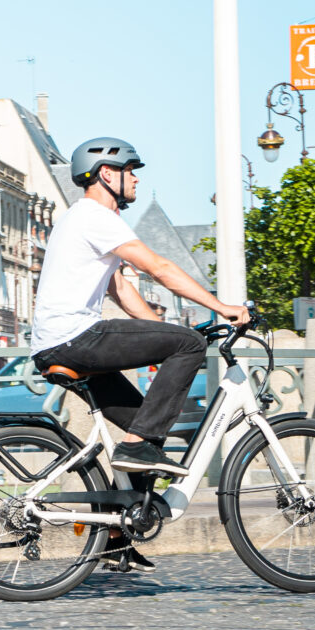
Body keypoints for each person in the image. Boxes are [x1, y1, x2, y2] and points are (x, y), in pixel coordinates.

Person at [28, 137, 250, 569]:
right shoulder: (96, 217)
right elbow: (159, 268)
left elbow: (123, 289)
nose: (136, 178)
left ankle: (114, 540)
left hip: (61, 341)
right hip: (75, 337)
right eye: (131, 170)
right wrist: (222, 308)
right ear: (107, 175)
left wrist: (158, 334)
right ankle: (133, 452)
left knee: (144, 429)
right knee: (187, 347)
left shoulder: (84, 221)